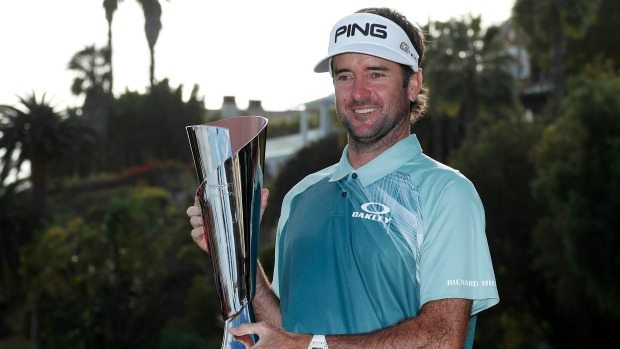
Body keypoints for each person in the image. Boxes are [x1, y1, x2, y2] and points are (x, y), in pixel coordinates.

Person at [187, 7, 499, 349]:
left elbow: (441, 338)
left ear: (413, 84)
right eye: (344, 76)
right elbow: (284, 331)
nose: (358, 92)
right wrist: (234, 248)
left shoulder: (446, 193)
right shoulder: (300, 196)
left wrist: (309, 345)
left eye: (376, 74)